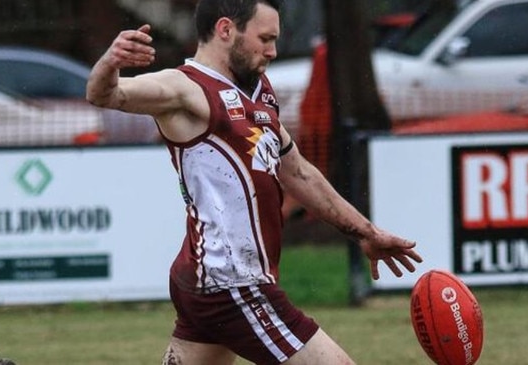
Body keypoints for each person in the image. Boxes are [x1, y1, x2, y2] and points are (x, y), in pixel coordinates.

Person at [86, 1, 423, 364]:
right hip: (230, 282)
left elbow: (298, 172)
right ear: (226, 30)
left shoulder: (258, 91)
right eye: (265, 39)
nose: (273, 51)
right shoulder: (184, 87)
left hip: (210, 280)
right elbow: (106, 95)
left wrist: (366, 233)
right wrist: (110, 64)